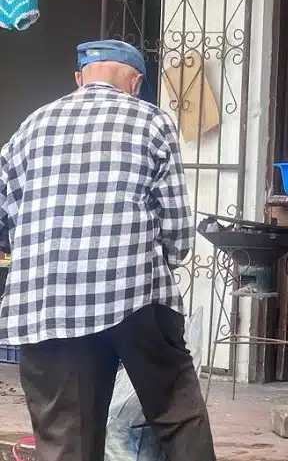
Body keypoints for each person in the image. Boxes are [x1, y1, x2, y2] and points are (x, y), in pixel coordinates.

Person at [0, 40, 215, 461]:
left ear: (80, 78)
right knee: (176, 412)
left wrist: (36, 256)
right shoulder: (152, 121)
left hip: (46, 303)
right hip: (133, 295)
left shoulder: (32, 125)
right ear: (135, 83)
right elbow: (177, 233)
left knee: (66, 437)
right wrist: (163, 264)